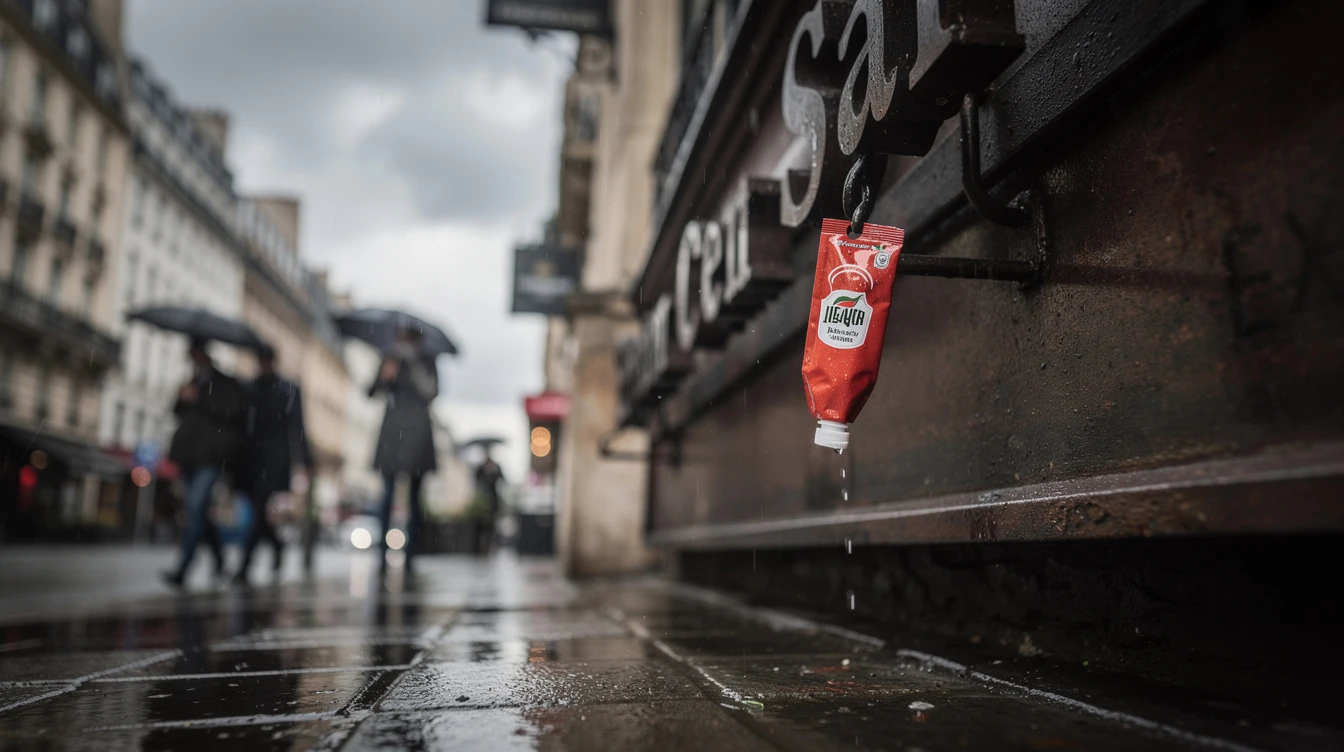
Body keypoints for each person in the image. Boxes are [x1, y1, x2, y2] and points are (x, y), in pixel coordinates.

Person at [163, 338, 245, 588]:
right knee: (199, 511)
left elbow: (230, 414)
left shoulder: (223, 383)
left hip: (209, 456)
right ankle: (220, 560)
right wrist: (183, 397)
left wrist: (198, 398)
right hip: (188, 454)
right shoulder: (191, 380)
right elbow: (177, 412)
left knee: (195, 508)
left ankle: (183, 567)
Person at [234, 344, 312, 585]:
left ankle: (245, 565)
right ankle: (277, 545)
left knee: (259, 510)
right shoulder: (249, 388)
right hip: (249, 459)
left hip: (275, 459)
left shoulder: (288, 389)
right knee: (258, 511)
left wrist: (306, 459)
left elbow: (298, 426)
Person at [369, 327, 438, 574]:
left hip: (418, 431)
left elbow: (432, 392)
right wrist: (384, 376)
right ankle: (381, 557)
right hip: (392, 430)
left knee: (414, 500)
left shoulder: (427, 359)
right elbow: (370, 391)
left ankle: (411, 557)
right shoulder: (389, 358)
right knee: (386, 496)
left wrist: (415, 365)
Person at [474, 450, 505, 555]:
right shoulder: (479, 468)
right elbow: (477, 481)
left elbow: (502, 479)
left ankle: (491, 545)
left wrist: (493, 472)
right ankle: (481, 546)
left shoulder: (496, 467)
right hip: (482, 502)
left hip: (493, 501)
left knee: (492, 525)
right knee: (482, 526)